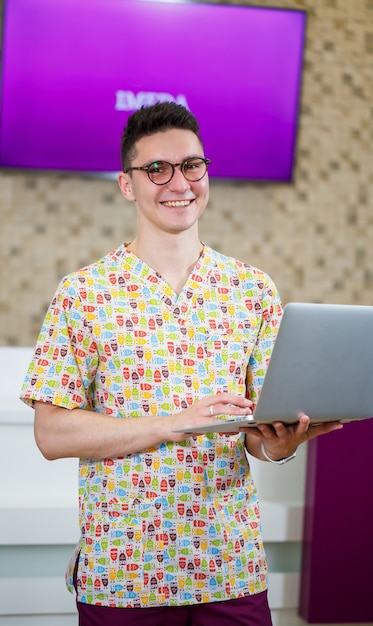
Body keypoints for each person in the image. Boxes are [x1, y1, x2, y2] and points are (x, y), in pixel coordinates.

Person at [20, 102, 342, 625]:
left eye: (192, 165)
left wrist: (278, 445)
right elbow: (51, 434)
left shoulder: (252, 290)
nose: (179, 183)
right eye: (157, 170)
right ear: (128, 184)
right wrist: (172, 425)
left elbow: (258, 434)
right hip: (124, 572)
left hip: (229, 567)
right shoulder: (84, 294)